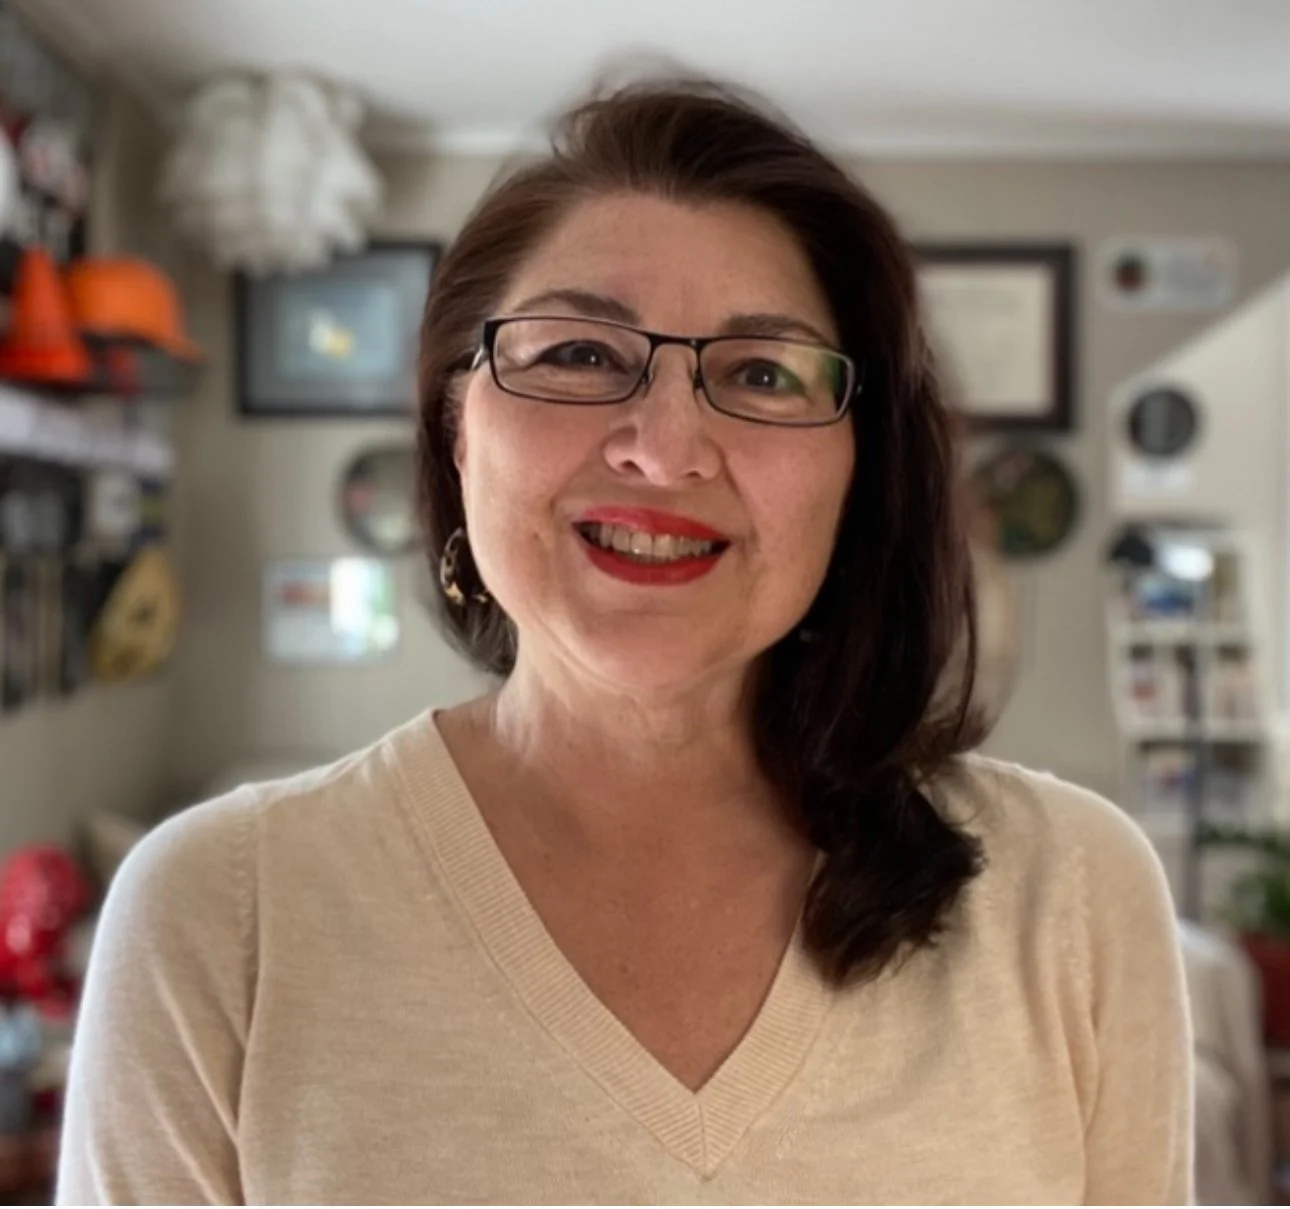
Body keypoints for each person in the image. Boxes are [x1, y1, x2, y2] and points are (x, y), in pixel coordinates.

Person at [57, 79, 1192, 1205]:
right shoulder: (222, 913)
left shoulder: (1074, 894)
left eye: (762, 373)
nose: (665, 446)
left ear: (859, 473)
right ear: (456, 430)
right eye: (579, 356)